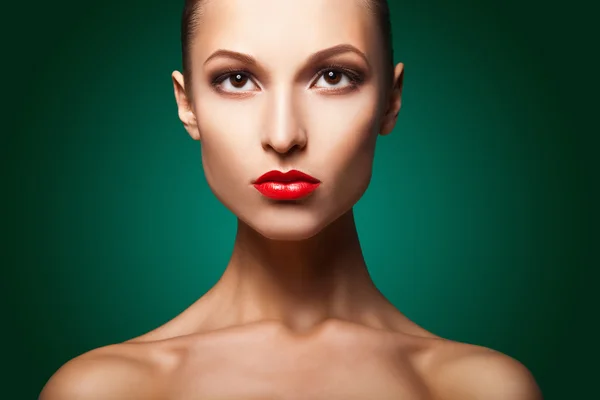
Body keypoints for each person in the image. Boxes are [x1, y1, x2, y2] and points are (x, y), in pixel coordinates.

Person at [40, 0, 543, 398]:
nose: (284, 136)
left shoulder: (478, 389)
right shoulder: (104, 390)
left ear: (390, 101)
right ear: (187, 104)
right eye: (237, 80)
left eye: (333, 77)